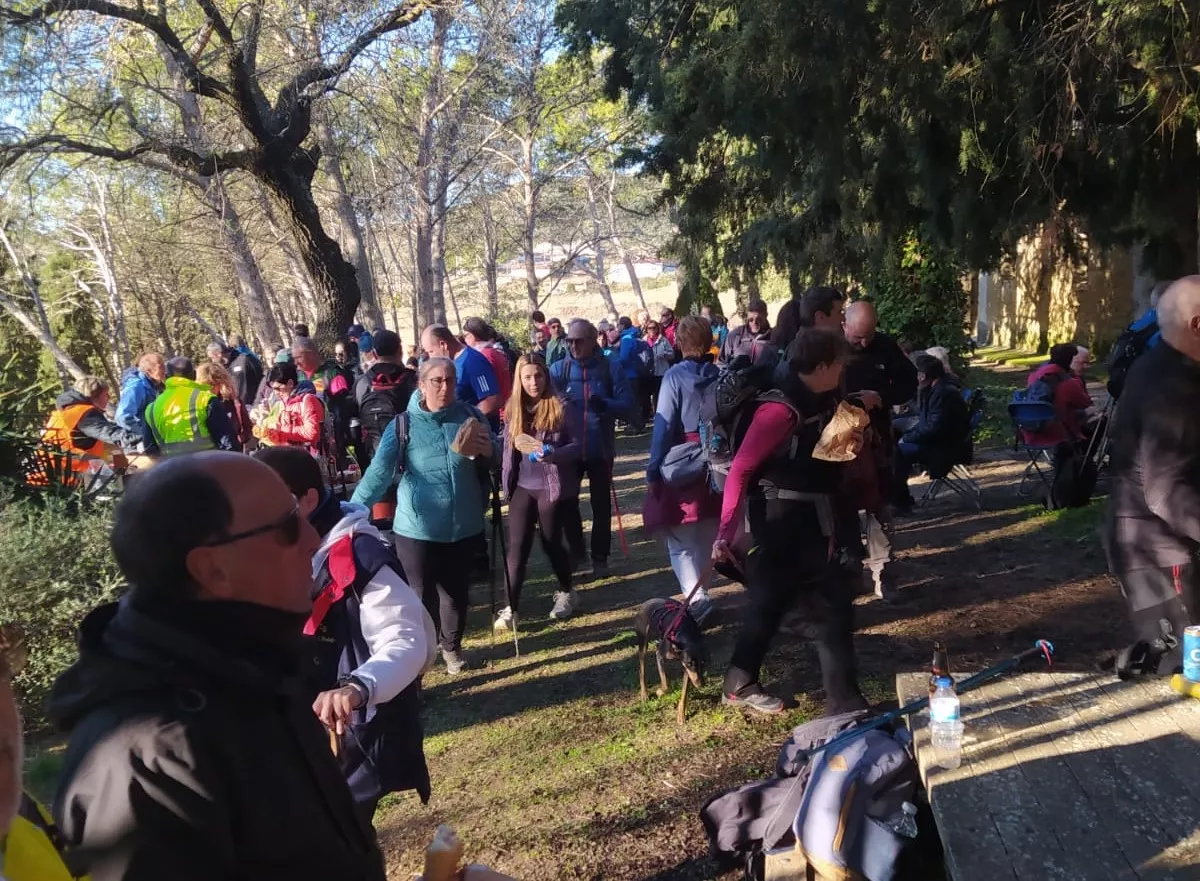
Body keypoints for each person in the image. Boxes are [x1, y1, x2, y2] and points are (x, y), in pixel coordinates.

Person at [47, 452, 390, 880]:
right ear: (212, 569)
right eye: (287, 526)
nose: (311, 538)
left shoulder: (255, 670)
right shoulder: (150, 760)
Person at [254, 446, 436, 822]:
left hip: (353, 734)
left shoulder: (361, 555)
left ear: (308, 500)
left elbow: (406, 640)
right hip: (297, 731)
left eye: (270, 504)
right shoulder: (269, 551)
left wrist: (356, 688)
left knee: (341, 832)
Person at [712, 329, 869, 716]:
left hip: (808, 522)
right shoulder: (779, 411)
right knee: (827, 609)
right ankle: (846, 705)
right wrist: (725, 533)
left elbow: (823, 461)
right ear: (822, 366)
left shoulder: (821, 399)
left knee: (774, 603)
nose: (843, 370)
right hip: (782, 526)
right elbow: (741, 470)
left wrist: (853, 434)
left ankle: (739, 680)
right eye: (840, 364)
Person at [351, 358, 495, 675]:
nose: (445, 387)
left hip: (463, 526)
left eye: (450, 380)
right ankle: (419, 658)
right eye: (437, 381)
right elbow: (378, 474)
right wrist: (352, 512)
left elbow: (494, 457)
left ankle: (452, 650)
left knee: (455, 597)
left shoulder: (471, 416)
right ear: (422, 384)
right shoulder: (403, 426)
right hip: (416, 530)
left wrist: (490, 451)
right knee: (419, 598)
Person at [1105, 275, 1200, 675]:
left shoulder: (1172, 367)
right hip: (1160, 549)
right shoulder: (1170, 388)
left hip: (1161, 544)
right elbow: (1165, 490)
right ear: (1197, 324)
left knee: (1173, 660)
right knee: (1185, 665)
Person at [644, 316, 722, 625]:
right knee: (707, 532)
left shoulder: (673, 377)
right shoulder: (721, 374)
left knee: (681, 540)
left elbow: (663, 428)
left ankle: (698, 599)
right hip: (718, 460)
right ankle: (702, 595)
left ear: (679, 342)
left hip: (684, 464)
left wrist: (653, 470)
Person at [497, 354, 582, 626]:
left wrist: (554, 453)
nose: (534, 382)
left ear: (546, 376)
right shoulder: (513, 408)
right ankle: (511, 608)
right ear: (519, 380)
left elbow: (579, 446)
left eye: (538, 376)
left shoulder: (561, 405)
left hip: (550, 484)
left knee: (551, 541)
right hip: (522, 484)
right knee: (517, 546)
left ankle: (566, 591)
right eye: (527, 377)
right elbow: (507, 447)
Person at [842, 300, 918, 598]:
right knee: (842, 503)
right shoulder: (828, 346)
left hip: (878, 436)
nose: (864, 343)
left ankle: (883, 570)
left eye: (869, 336)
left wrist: (882, 397)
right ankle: (849, 569)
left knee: (879, 501)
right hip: (838, 436)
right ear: (844, 325)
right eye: (857, 337)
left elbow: (908, 383)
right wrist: (852, 400)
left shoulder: (885, 346)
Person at [549, 319, 636, 576]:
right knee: (567, 502)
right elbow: (544, 406)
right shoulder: (558, 369)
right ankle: (577, 554)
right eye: (569, 341)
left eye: (578, 341)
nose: (573, 346)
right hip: (569, 449)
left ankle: (600, 557)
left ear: (592, 340)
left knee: (600, 505)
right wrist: (558, 406)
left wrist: (605, 404)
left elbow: (628, 404)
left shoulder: (610, 367)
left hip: (600, 447)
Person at [30, 374, 144, 488]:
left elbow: (109, 446)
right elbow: (112, 435)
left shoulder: (65, 413)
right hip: (66, 479)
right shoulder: (84, 414)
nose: (109, 397)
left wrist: (123, 468)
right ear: (94, 396)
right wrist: (143, 436)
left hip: (48, 475)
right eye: (105, 394)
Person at [893, 354, 972, 509]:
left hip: (945, 449)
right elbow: (929, 423)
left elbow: (934, 428)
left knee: (897, 452)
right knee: (897, 442)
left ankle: (900, 502)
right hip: (945, 443)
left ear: (922, 376)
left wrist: (907, 438)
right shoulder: (940, 388)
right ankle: (901, 499)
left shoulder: (943, 393)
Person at [145, 357, 238, 457]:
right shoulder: (206, 399)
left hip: (171, 465)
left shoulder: (151, 408)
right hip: (207, 463)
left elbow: (150, 449)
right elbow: (228, 442)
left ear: (166, 377)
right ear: (194, 375)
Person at [354, 329, 417, 466]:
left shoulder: (362, 382)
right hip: (411, 456)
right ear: (400, 350)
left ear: (374, 353)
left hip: (376, 456)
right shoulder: (412, 380)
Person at [420, 324, 502, 429]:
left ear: (443, 344)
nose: (430, 357)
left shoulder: (473, 361)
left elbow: (493, 400)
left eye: (431, 352)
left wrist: (465, 421)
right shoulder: (450, 363)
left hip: (477, 433)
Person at [294, 337, 355, 466]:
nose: (296, 362)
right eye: (294, 358)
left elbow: (341, 406)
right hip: (304, 435)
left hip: (329, 436)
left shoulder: (331, 372)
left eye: (298, 357)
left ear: (311, 354)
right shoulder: (296, 376)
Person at [1020, 343, 1094, 448]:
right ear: (1070, 361)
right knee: (1098, 418)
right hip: (1059, 434)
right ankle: (1083, 455)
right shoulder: (1069, 383)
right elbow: (1086, 403)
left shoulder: (1034, 377)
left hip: (1031, 433)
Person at [259, 361, 326, 454]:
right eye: (273, 389)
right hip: (290, 455)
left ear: (290, 383)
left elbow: (312, 433)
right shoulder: (282, 404)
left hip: (308, 457)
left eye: (278, 388)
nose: (275, 392)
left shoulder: (307, 400)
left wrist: (280, 428)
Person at [463, 317, 514, 422]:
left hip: (498, 413)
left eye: (466, 335)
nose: (464, 340)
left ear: (474, 335)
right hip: (507, 408)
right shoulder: (497, 352)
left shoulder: (484, 356)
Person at [197, 362, 254, 453]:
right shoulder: (199, 403)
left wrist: (240, 438)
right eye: (204, 386)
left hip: (232, 452)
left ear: (221, 383)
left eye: (212, 385)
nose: (208, 390)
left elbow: (246, 426)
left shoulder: (233, 402)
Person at [772, 286, 846, 350]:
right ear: (820, 317)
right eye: (839, 312)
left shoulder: (803, 350)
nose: (843, 318)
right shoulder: (809, 356)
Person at [115, 351, 166, 444]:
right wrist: (143, 434)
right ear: (148, 370)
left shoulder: (154, 385)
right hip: (139, 445)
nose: (164, 370)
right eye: (161, 367)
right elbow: (122, 417)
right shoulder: (137, 387)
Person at [718, 298, 775, 366]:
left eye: (759, 319)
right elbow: (721, 363)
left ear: (766, 315)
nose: (754, 323)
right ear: (747, 316)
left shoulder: (775, 338)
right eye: (751, 320)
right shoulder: (735, 335)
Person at [615, 316, 648, 433]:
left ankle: (636, 426)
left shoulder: (626, 338)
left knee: (632, 400)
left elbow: (624, 358)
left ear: (622, 326)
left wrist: (614, 364)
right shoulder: (634, 336)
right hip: (635, 372)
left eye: (618, 325)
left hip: (629, 374)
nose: (617, 327)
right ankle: (637, 424)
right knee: (635, 399)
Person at [644, 319, 675, 413]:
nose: (652, 330)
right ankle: (647, 414)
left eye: (654, 328)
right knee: (646, 394)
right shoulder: (643, 341)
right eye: (649, 328)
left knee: (658, 394)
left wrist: (664, 354)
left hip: (661, 371)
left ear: (657, 329)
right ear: (646, 330)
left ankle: (658, 413)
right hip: (648, 372)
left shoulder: (663, 340)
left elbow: (672, 354)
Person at [226, 333, 264, 404]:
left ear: (233, 346)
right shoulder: (253, 356)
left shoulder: (236, 359)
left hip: (244, 398)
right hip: (257, 394)